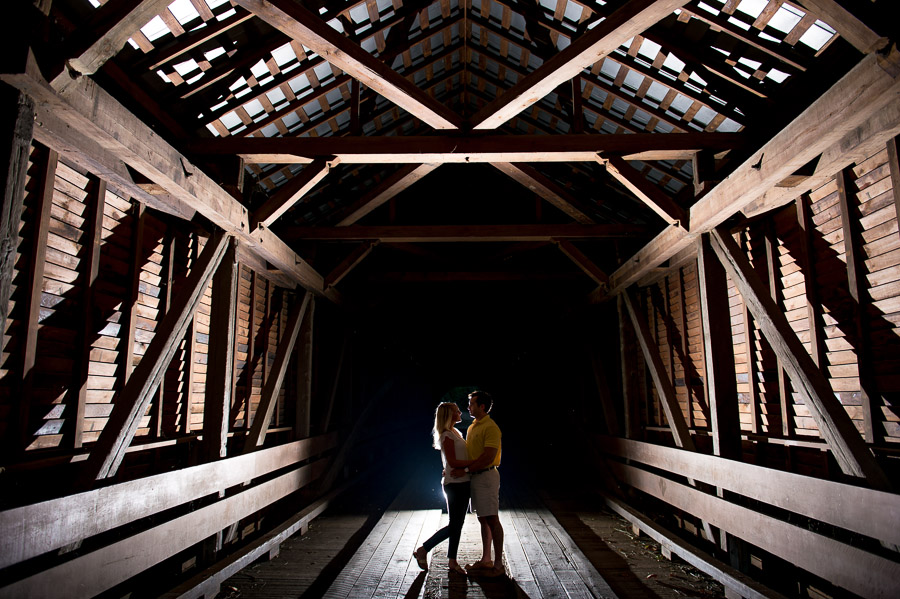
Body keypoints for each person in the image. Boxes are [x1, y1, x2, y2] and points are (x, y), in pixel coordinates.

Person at [413, 402, 473, 575]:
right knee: (455, 525)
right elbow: (453, 463)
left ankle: (452, 561)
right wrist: (476, 463)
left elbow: (452, 461)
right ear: (449, 415)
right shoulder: (447, 435)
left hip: (462, 482)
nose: (460, 412)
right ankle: (424, 549)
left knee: (457, 524)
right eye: (456, 411)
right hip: (454, 484)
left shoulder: (456, 432)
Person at [458, 390, 504, 577]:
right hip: (476, 477)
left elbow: (488, 456)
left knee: (492, 518)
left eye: (472, 404)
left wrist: (467, 470)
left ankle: (498, 565)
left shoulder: (490, 427)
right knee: (483, 518)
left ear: (482, 406)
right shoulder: (472, 427)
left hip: (486, 476)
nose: (469, 407)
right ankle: (486, 560)